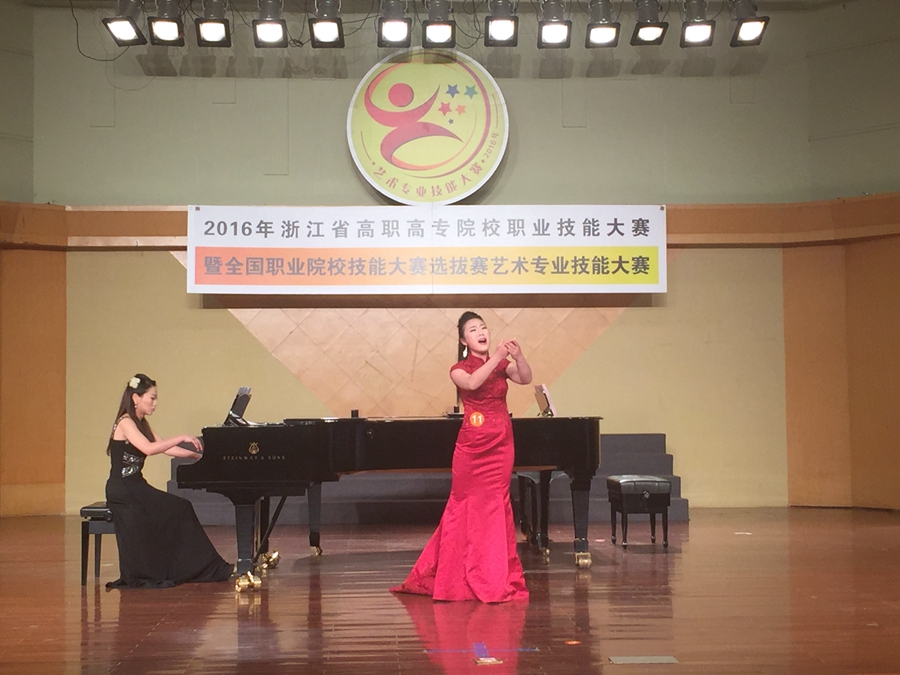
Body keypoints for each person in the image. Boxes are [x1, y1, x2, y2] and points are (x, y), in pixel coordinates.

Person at [392, 312, 532, 602]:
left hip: (501, 444)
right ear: (463, 340)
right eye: (473, 330)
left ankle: (493, 574)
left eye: (483, 327)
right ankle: (457, 574)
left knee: (496, 503)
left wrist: (518, 357)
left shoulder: (502, 366)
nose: (481, 332)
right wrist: (497, 357)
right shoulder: (458, 369)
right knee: (464, 504)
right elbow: (472, 384)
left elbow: (525, 378)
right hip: (472, 446)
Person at [105, 373, 233, 589]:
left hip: (136, 487)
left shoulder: (141, 423)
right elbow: (149, 448)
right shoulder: (125, 422)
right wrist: (181, 437)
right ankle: (193, 567)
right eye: (152, 398)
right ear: (136, 398)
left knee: (180, 508)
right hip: (123, 490)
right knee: (180, 508)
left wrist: (196, 456)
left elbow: (166, 448)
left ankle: (194, 567)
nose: (155, 403)